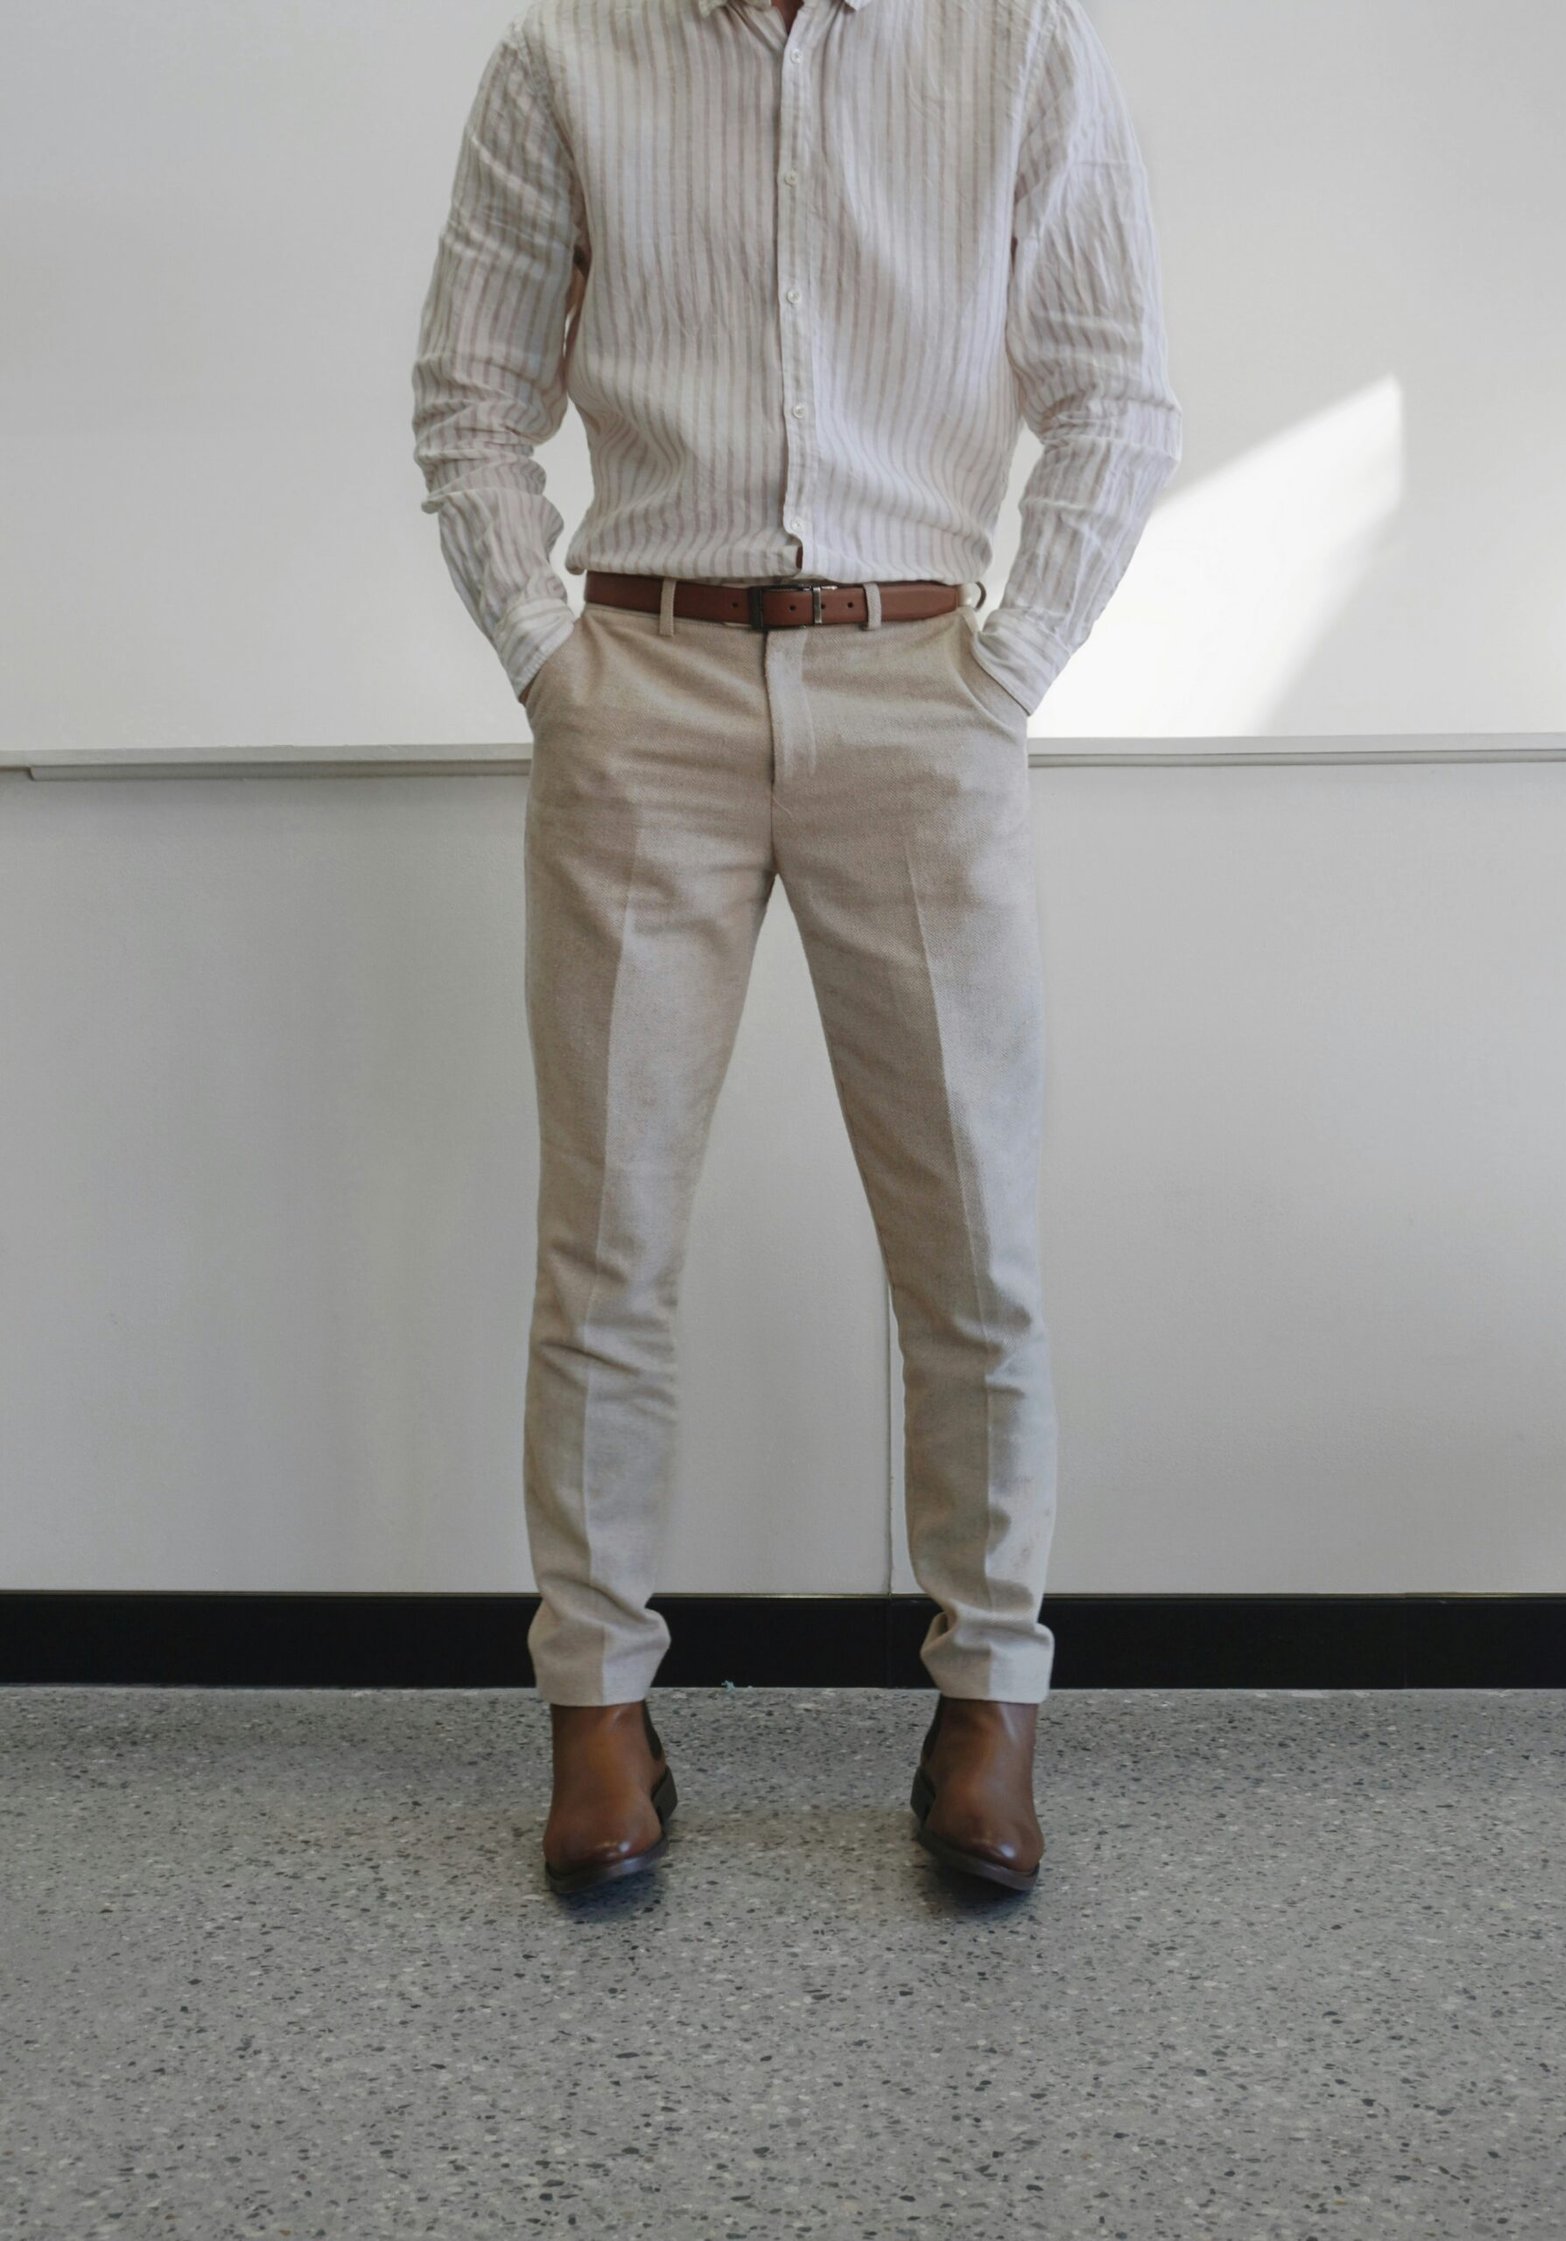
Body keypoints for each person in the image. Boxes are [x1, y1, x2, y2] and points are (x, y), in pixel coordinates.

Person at [412, 0, 1180, 1897]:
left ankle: (992, 1694)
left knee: (974, 1232)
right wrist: (550, 663)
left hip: (919, 675)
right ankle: (597, 1710)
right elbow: (468, 401)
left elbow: (1116, 390)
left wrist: (999, 670)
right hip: (642, 680)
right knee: (607, 1237)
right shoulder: (562, 59)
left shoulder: (1017, 49)